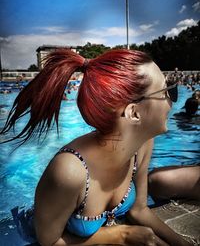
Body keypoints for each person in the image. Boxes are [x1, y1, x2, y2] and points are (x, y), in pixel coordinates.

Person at [0, 49, 191, 246]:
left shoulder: (142, 145)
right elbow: (49, 240)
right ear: (134, 113)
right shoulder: (69, 172)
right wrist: (120, 235)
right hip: (23, 236)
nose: (171, 101)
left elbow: (139, 210)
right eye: (166, 91)